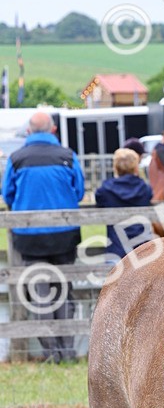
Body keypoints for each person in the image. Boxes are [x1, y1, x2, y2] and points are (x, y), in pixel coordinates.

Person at [2, 110, 85, 362]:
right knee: (64, 291)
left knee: (39, 295)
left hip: (29, 237)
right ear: (53, 130)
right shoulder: (67, 157)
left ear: (28, 131)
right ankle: (68, 350)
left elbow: (8, 194)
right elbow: (79, 191)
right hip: (64, 236)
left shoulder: (16, 159)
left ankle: (50, 353)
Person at [94, 147, 154, 259]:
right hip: (142, 250)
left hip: (116, 250)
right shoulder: (145, 189)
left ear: (115, 167)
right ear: (136, 167)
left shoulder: (105, 191)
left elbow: (99, 200)